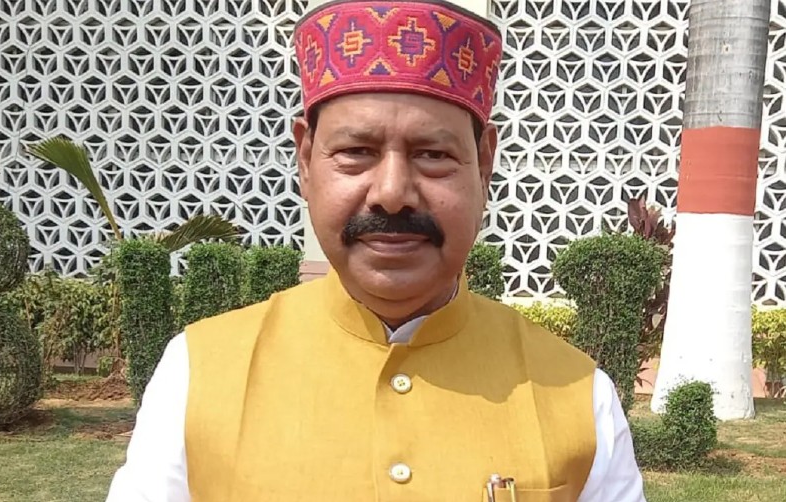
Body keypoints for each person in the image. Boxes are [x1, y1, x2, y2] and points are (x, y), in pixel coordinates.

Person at [106, 0, 646, 500]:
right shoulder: (200, 373)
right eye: (357, 151)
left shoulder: (578, 396)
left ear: (484, 163)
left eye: (432, 154)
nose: (391, 193)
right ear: (305, 158)